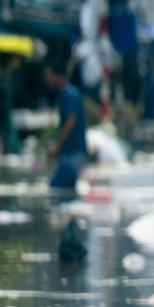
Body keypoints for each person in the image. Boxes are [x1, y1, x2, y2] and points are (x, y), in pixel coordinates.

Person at [41, 60, 88, 202]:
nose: (47, 79)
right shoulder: (66, 94)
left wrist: (57, 145)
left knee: (58, 191)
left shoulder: (69, 94)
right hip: (70, 152)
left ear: (58, 75)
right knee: (65, 193)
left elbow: (71, 121)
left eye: (49, 75)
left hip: (72, 153)